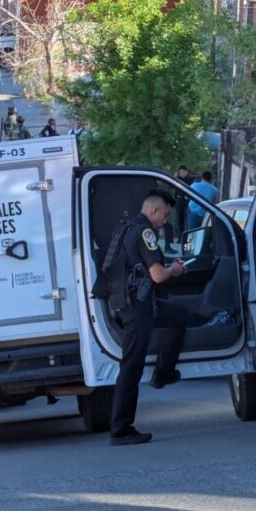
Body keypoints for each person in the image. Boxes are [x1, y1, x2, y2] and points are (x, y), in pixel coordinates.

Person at [102, 191, 191, 446]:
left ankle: (164, 372)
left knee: (178, 315)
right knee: (131, 366)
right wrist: (174, 270)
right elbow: (158, 276)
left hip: (126, 304)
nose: (165, 220)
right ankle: (121, 429)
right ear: (154, 210)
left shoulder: (126, 227)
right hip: (138, 307)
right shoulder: (146, 232)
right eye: (165, 214)